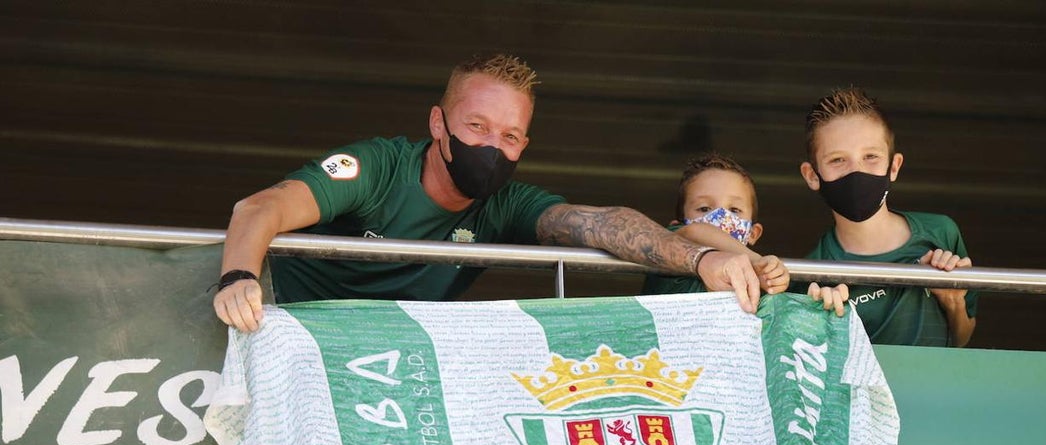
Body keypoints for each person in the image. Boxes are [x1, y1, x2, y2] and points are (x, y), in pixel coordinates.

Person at [212, 53, 776, 332]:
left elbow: (602, 223)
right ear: (438, 124)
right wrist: (237, 278)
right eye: (476, 127)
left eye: (508, 136)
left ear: (523, 144)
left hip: (378, 359)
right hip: (272, 323)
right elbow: (259, 207)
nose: (492, 147)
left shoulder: (506, 204)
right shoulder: (378, 166)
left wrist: (702, 259)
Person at [800, 86, 977, 347]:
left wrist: (953, 301)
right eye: (838, 160)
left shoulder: (941, 233)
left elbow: (962, 341)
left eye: (870, 156)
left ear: (893, 166)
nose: (856, 171)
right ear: (812, 176)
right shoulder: (809, 274)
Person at [642, 153, 790, 297]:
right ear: (678, 226)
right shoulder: (668, 257)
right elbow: (695, 232)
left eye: (734, 210)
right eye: (704, 209)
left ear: (753, 233)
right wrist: (757, 261)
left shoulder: (762, 283)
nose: (721, 217)